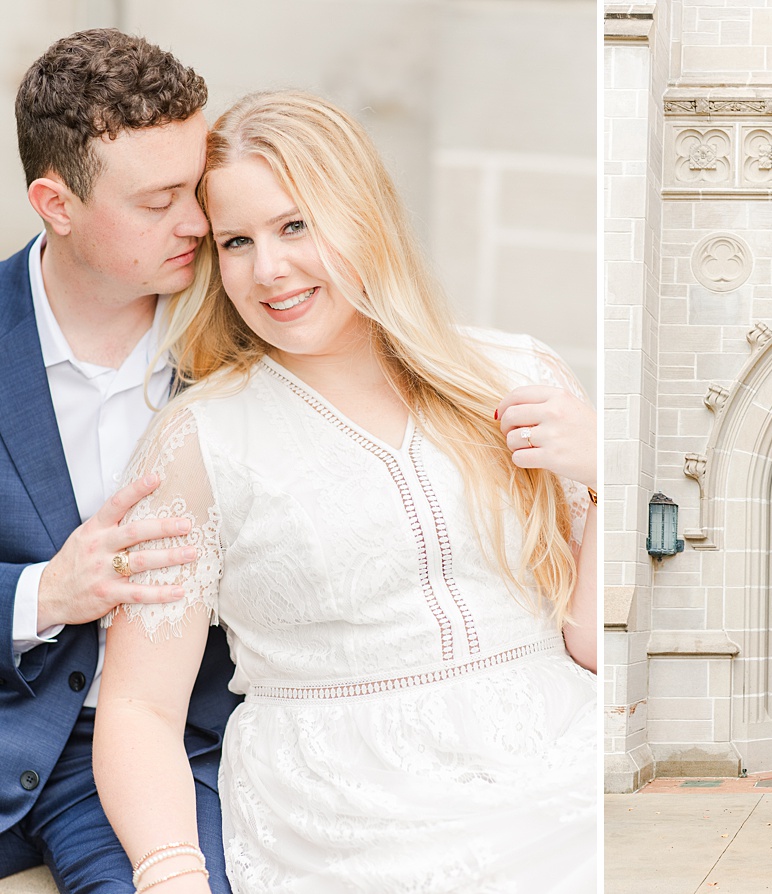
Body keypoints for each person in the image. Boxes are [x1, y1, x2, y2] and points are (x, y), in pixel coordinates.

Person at [92, 90, 598, 893]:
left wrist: (604, 481)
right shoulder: (202, 441)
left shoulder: (514, 376)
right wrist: (170, 875)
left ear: (363, 215)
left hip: (564, 768)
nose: (270, 270)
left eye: (296, 225)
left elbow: (593, 645)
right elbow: (138, 709)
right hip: (348, 817)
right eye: (237, 241)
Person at [0, 30, 240, 893]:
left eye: (197, 187)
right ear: (55, 204)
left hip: (174, 750)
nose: (198, 224)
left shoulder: (249, 336)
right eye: (158, 201)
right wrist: (44, 594)